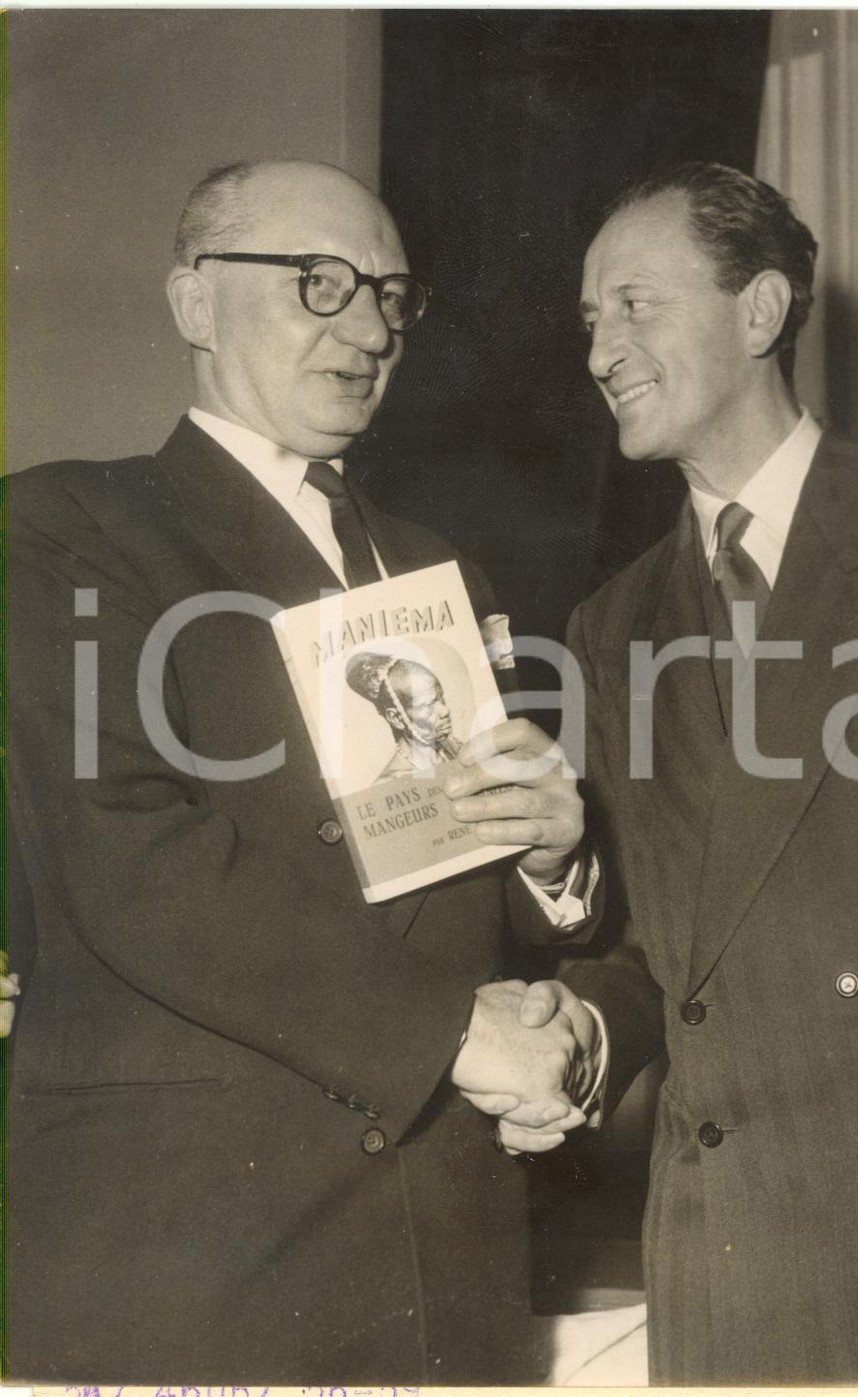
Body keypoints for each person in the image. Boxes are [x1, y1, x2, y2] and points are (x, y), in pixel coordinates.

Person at [5, 160, 600, 1383]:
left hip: (440, 1249)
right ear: (192, 305)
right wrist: (453, 1032)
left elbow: (451, 886)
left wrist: (550, 856)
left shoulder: (439, 566)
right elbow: (130, 855)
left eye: (389, 293)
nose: (372, 328)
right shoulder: (69, 525)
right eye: (318, 283)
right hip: (198, 1246)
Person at [480, 163, 858, 1384]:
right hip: (726, 1246)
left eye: (635, 304)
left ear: (759, 314)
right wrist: (577, 1014)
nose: (601, 348)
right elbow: (664, 947)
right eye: (590, 319)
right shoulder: (612, 622)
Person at [345, 651, 461, 779]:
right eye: (427, 706)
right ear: (396, 718)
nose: (445, 711)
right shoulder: (390, 784)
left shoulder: (453, 746)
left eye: (440, 698)